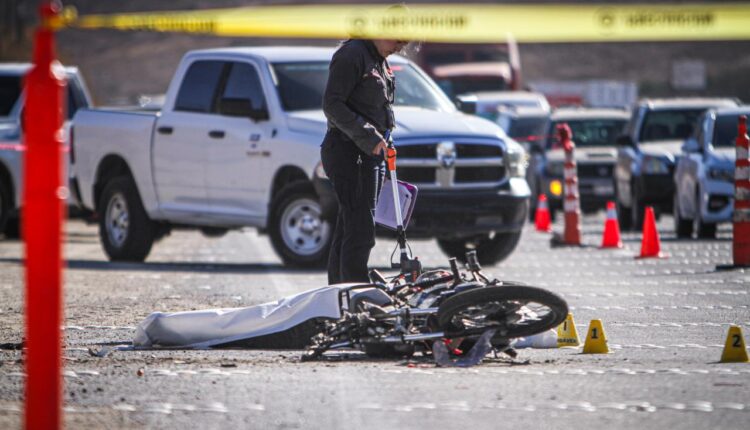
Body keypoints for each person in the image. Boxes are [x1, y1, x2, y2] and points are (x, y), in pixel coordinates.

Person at [321, 38, 408, 284]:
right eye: (398, 40)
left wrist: (383, 140)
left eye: (406, 42)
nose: (401, 47)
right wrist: (370, 137)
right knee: (360, 229)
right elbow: (332, 105)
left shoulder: (379, 59)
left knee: (349, 225)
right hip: (348, 152)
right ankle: (356, 292)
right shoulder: (352, 54)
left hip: (370, 154)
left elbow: (376, 108)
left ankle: (338, 295)